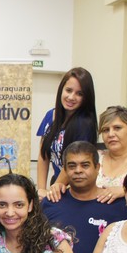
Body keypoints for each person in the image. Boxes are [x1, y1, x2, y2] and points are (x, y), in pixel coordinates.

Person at [42, 141, 127, 253]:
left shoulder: (117, 205)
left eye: (85, 165)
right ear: (64, 170)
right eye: (72, 166)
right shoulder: (52, 202)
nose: (78, 170)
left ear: (97, 168)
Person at [37, 67, 97, 198]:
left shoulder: (84, 124)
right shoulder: (50, 115)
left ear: (86, 97)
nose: (71, 97)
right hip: (56, 186)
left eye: (79, 94)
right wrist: (41, 189)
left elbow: (75, 161)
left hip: (75, 190)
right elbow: (43, 155)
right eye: (68, 90)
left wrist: (53, 191)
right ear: (61, 90)